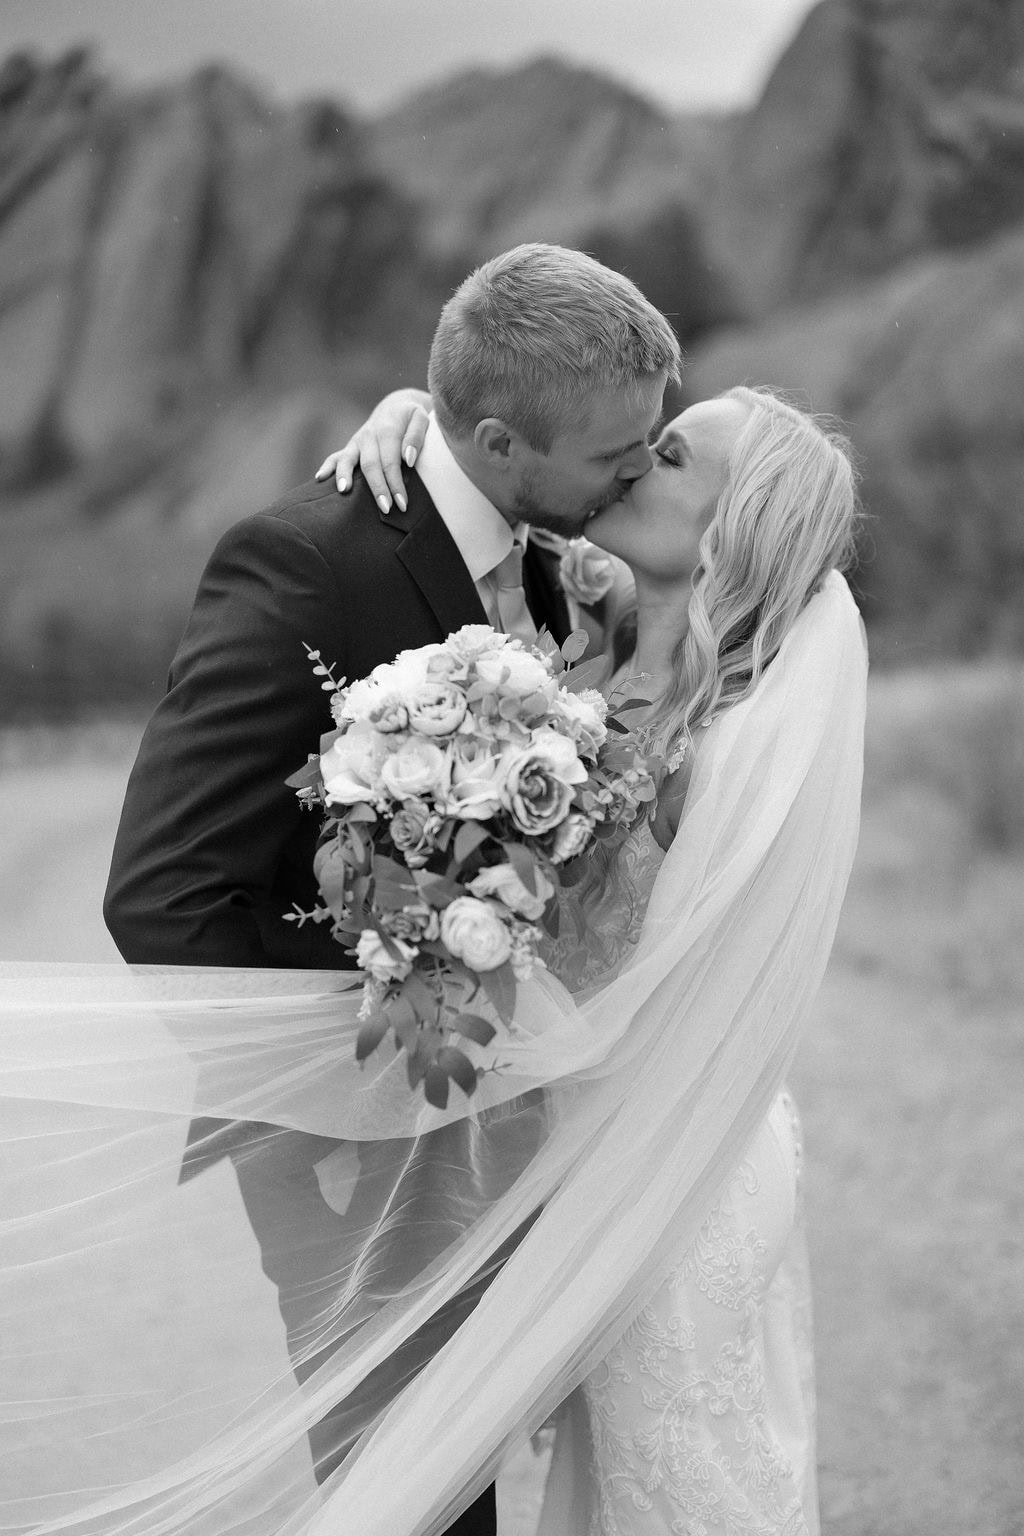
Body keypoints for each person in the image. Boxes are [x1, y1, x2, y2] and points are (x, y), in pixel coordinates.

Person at [0, 380, 865, 1536]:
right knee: (576, 1486)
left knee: (689, 1485)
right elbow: (502, 439)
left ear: (727, 528)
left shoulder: (733, 732)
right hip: (577, 1132)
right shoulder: (579, 645)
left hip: (677, 1146)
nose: (626, 468)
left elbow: (684, 980)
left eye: (663, 458)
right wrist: (415, 410)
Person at [99, 241, 680, 1536]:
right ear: (497, 438)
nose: (640, 471)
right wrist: (312, 1102)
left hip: (502, 1101)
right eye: (616, 454)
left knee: (472, 1448)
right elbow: (162, 889)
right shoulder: (304, 561)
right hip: (341, 1137)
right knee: (402, 1490)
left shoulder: (549, 550)